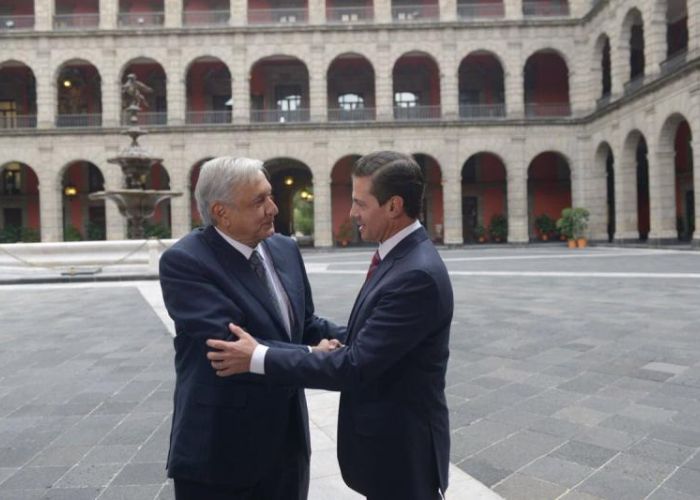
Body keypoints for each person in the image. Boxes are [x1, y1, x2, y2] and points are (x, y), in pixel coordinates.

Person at [207, 151, 454, 500]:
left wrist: (258, 357)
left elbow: (355, 366)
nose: (352, 213)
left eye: (359, 203)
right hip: (390, 445)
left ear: (394, 206)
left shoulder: (416, 274)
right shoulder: (399, 256)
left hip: (402, 449)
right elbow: (370, 339)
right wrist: (328, 338)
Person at [159, 156, 342, 500]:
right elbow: (230, 346)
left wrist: (361, 335)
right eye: (258, 200)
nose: (273, 208)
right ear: (221, 212)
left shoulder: (284, 248)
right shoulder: (186, 262)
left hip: (288, 448)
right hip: (221, 453)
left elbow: (304, 324)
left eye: (269, 195)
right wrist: (311, 354)